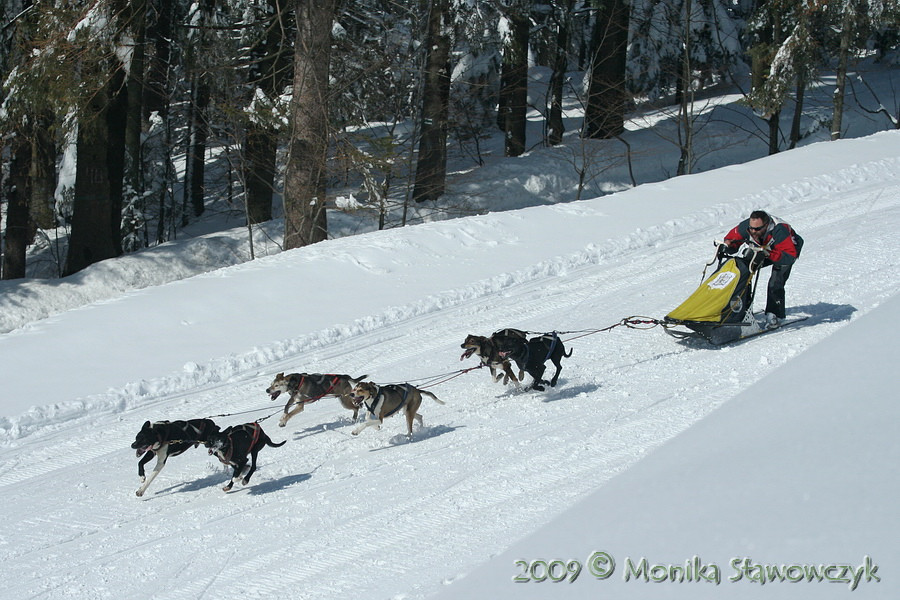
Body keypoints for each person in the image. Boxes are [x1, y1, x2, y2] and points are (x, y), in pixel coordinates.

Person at [721, 210, 803, 328]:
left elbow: (789, 256)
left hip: (786, 252)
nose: (753, 231)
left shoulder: (779, 230)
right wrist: (728, 245)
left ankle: (775, 315)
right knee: (744, 271)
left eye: (757, 229)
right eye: (751, 228)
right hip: (763, 249)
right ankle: (743, 309)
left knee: (776, 281)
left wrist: (768, 254)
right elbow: (731, 239)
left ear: (766, 225)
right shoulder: (747, 226)